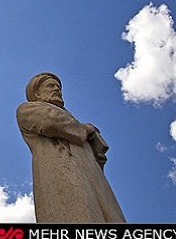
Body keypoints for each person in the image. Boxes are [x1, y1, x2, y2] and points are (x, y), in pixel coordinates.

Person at [16, 72, 126, 222]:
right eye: (50, 86)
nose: (57, 89)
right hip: (61, 170)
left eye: (58, 87)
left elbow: (97, 160)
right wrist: (85, 129)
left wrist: (96, 148)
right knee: (76, 213)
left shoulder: (74, 122)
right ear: (37, 93)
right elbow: (50, 122)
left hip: (93, 181)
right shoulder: (27, 109)